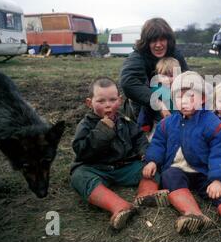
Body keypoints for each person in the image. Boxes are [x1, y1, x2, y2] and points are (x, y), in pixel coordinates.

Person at [142, 71, 221, 242]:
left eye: (191, 96)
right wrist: (152, 160)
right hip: (179, 170)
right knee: (170, 176)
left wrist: (218, 179)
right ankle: (193, 215)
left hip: (205, 170)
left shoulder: (211, 123)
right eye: (179, 96)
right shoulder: (168, 122)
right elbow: (159, 143)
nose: (184, 101)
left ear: (203, 98)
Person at [70, 77, 169, 230]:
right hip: (97, 168)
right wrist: (102, 131)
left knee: (153, 166)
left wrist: (146, 156)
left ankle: (145, 194)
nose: (108, 105)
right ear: (89, 103)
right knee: (79, 176)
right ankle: (119, 206)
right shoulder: (86, 124)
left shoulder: (125, 120)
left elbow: (139, 139)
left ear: (119, 99)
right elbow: (82, 152)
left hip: (125, 166)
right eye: (101, 101)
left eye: (112, 100)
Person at [120, 18, 189, 124]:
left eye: (162, 39)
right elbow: (128, 82)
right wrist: (159, 104)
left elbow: (188, 77)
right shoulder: (137, 57)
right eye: (153, 40)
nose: (158, 45)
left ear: (168, 40)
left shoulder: (175, 54)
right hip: (145, 106)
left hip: (174, 101)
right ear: (146, 42)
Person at [137, 57, 182, 133]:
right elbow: (145, 109)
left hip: (179, 123)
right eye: (163, 76)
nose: (167, 79)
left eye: (171, 76)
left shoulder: (182, 89)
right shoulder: (156, 89)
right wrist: (143, 125)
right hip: (160, 123)